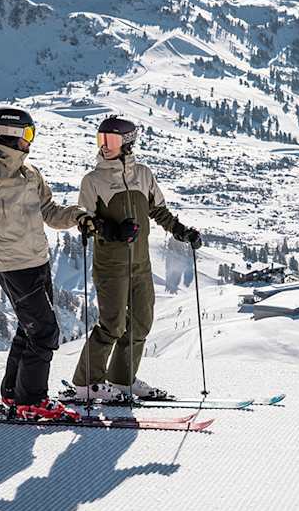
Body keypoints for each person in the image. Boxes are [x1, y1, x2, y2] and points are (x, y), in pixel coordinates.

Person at [0, 107, 96, 420]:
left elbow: (50, 212)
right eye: (27, 134)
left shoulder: (29, 172)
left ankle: (13, 392)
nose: (30, 140)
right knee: (45, 332)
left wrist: (78, 216)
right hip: (13, 265)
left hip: (38, 260)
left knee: (30, 328)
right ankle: (32, 400)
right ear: (9, 134)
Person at [64, 116, 201, 402]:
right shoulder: (93, 180)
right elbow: (85, 220)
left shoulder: (143, 174)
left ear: (127, 142)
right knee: (112, 325)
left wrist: (182, 231)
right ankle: (87, 384)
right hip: (111, 265)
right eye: (101, 139)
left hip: (140, 263)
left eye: (111, 140)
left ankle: (122, 379)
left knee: (141, 322)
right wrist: (111, 230)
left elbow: (159, 210)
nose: (104, 146)